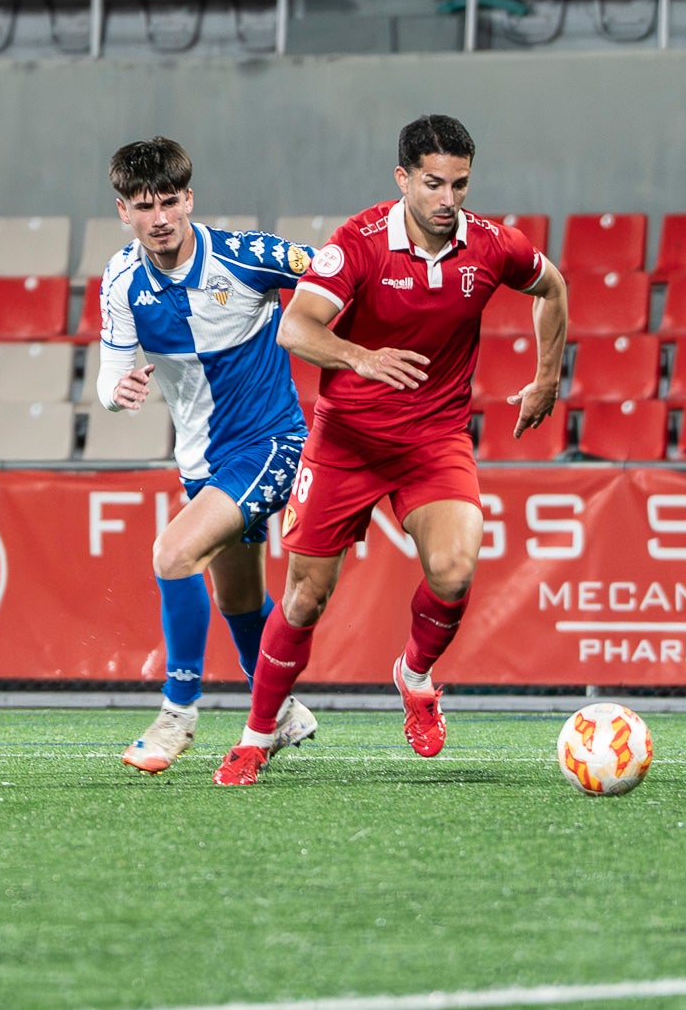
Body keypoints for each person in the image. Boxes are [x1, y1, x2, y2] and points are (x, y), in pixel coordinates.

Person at [212, 115, 570, 786]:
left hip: (433, 441)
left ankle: (414, 675)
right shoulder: (357, 244)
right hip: (345, 442)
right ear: (402, 177)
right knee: (303, 602)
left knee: (457, 568)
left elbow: (552, 287)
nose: (447, 198)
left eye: (459, 183)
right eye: (433, 182)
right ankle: (256, 736)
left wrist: (547, 378)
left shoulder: (492, 245)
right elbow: (296, 326)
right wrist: (360, 357)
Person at [95, 137, 318, 775]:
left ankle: (178, 714)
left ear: (189, 197)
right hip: (201, 462)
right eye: (145, 205)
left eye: (170, 200)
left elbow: (334, 270)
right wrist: (119, 391)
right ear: (124, 211)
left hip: (273, 442)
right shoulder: (121, 280)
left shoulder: (249, 257)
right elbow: (110, 377)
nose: (160, 217)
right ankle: (279, 713)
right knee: (239, 601)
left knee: (172, 554)